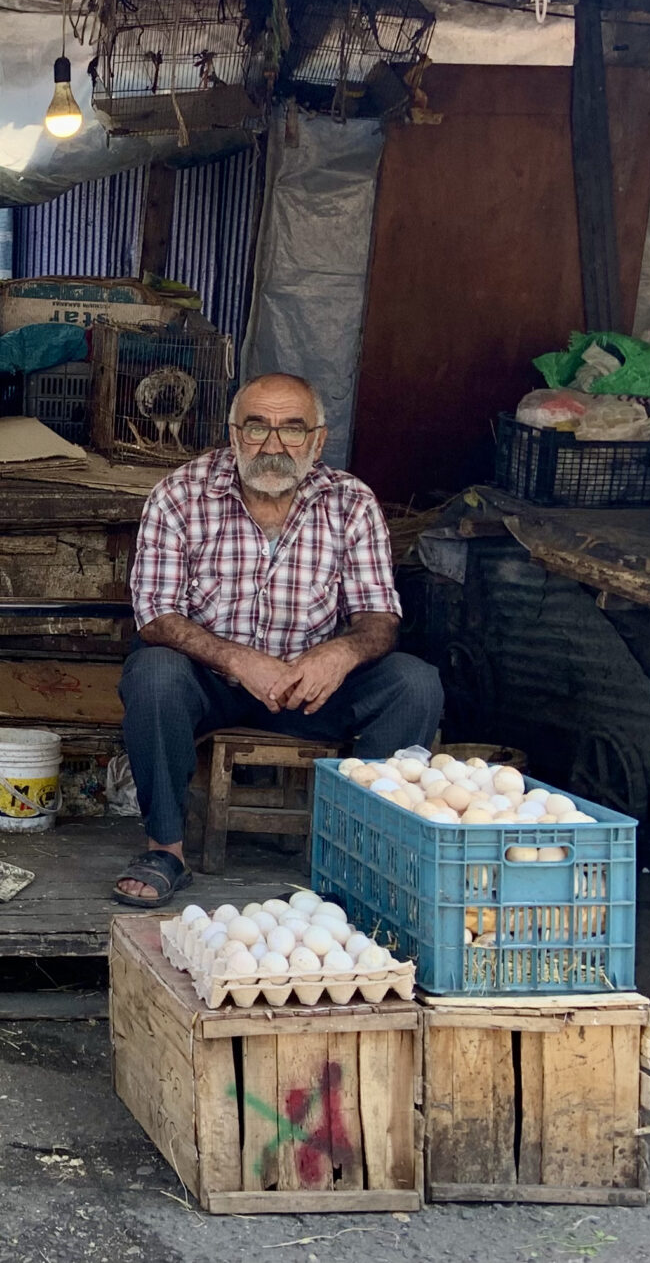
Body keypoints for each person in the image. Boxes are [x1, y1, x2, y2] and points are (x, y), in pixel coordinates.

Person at [111, 372, 442, 907]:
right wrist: (238, 660)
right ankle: (164, 850)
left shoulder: (351, 502)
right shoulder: (181, 493)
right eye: (256, 427)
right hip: (213, 685)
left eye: (292, 429)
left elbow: (379, 615)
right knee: (153, 672)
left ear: (317, 438)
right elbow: (155, 615)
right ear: (232, 432)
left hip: (313, 689)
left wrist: (340, 652)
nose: (273, 445)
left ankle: (368, 856)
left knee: (415, 684)